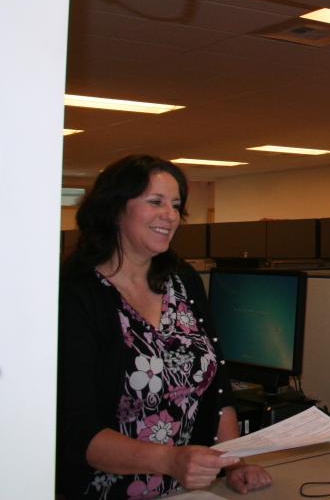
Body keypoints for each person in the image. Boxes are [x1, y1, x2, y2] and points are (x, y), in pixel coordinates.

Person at [57, 154, 272, 498]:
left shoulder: (183, 280)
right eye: (155, 202)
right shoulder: (76, 294)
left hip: (187, 489)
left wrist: (236, 462)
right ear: (114, 208)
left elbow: (217, 386)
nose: (170, 216)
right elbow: (77, 431)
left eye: (176, 205)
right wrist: (169, 460)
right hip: (104, 489)